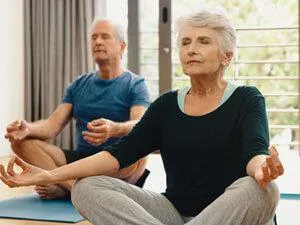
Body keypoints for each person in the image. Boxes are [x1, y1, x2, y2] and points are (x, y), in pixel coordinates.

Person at [0, 11, 284, 225]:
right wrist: (49, 174)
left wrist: (262, 169)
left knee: (263, 189)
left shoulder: (247, 98)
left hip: (227, 213)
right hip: (172, 212)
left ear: (227, 56)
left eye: (203, 41)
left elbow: (255, 153)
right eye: (185, 42)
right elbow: (117, 155)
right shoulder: (167, 105)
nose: (191, 48)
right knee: (87, 186)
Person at [4, 18, 151, 199]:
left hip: (114, 161)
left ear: (122, 47)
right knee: (21, 142)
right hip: (81, 161)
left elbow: (140, 124)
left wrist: (115, 129)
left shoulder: (135, 84)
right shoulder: (80, 84)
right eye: (94, 37)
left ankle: (64, 188)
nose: (97, 42)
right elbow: (51, 126)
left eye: (105, 37)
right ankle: (74, 188)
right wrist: (28, 128)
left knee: (141, 155)